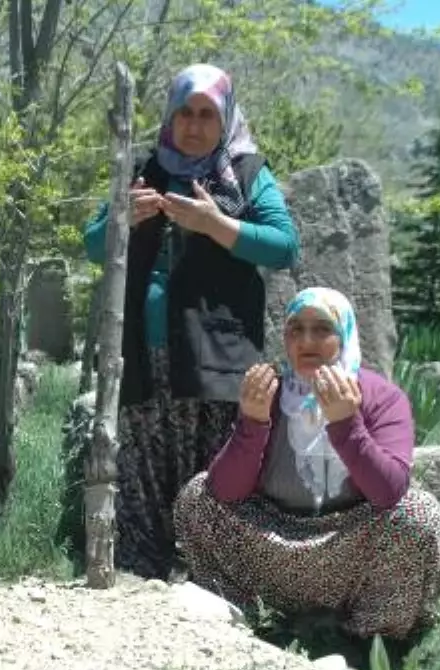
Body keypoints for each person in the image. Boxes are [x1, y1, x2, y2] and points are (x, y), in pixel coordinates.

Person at [82, 63, 300, 580]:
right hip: (143, 346)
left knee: (210, 464)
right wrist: (122, 218)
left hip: (215, 352)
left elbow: (284, 246)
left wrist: (216, 223)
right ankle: (142, 575)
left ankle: (212, 575)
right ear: (170, 115)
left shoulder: (245, 173)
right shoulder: (144, 170)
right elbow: (93, 244)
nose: (195, 125)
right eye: (186, 112)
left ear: (225, 120)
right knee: (143, 466)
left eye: (207, 114)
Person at [173, 287, 440, 640]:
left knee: (418, 513)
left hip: (349, 545)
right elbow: (225, 490)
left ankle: (368, 637)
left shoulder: (382, 398)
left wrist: (346, 424)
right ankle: (249, 615)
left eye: (322, 329)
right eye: (295, 329)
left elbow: (389, 492)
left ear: (345, 334)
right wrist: (253, 423)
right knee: (197, 496)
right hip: (269, 543)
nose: (307, 341)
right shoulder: (268, 391)